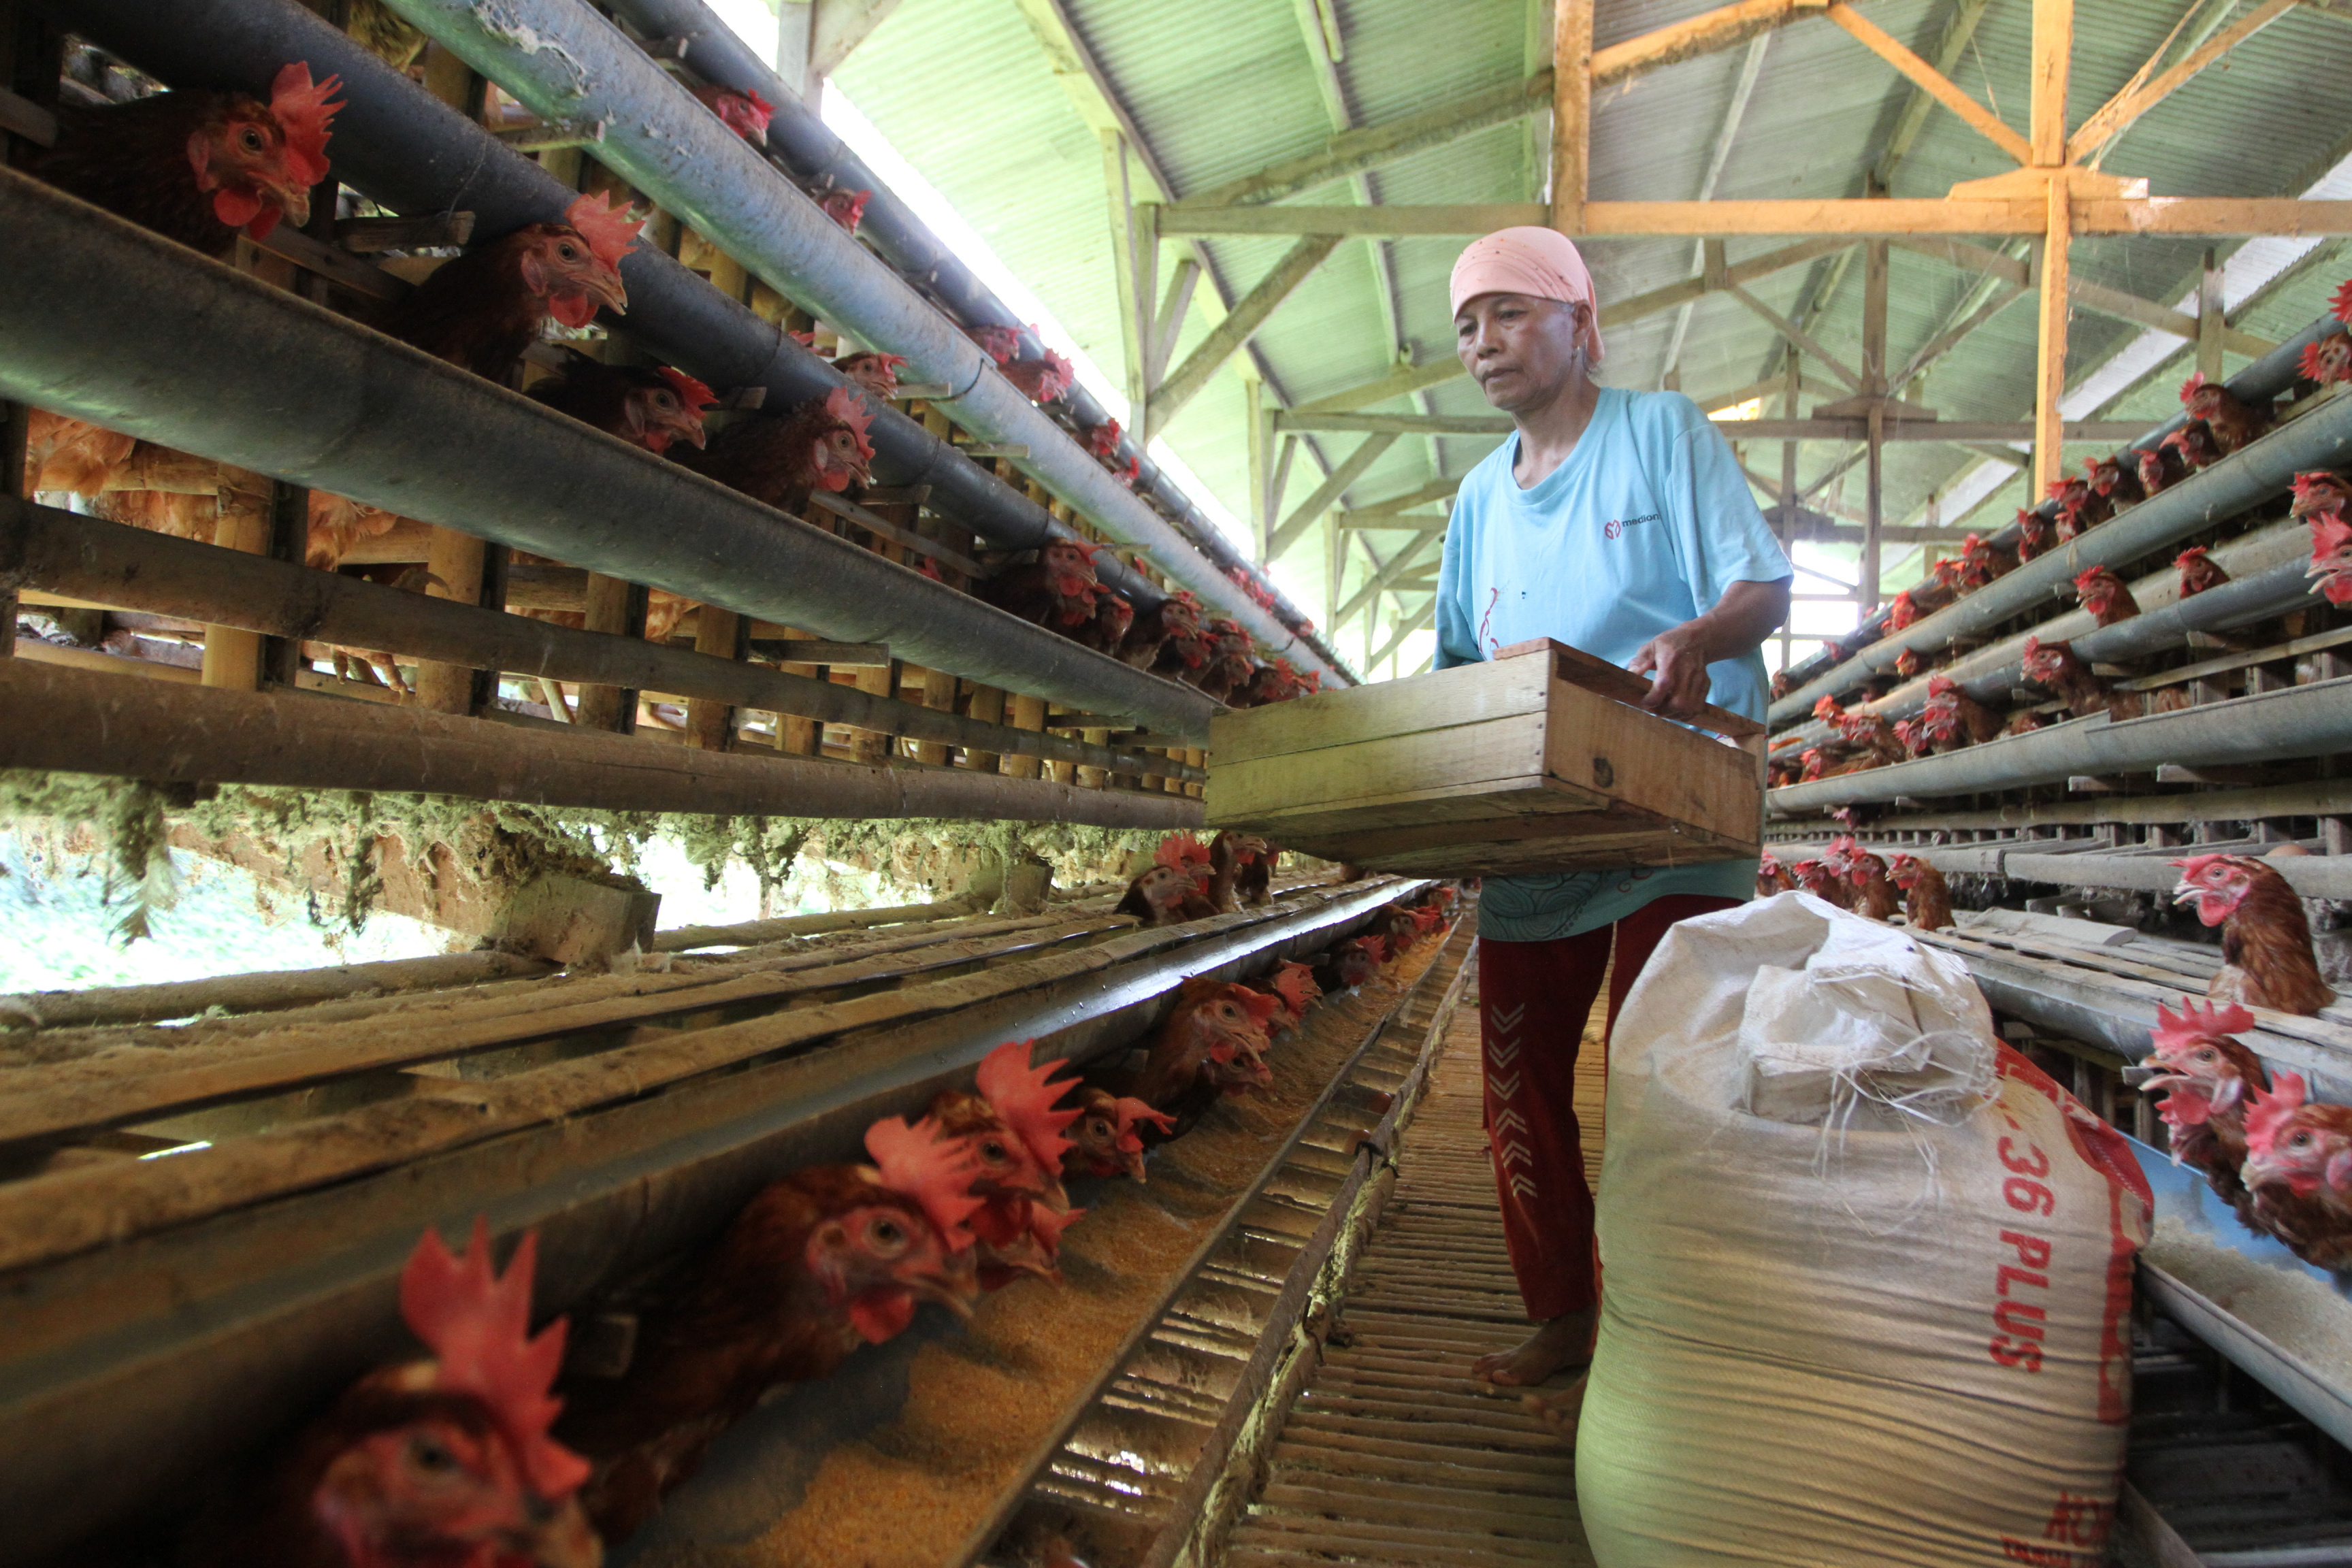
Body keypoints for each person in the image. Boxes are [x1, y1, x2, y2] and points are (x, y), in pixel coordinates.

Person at [1434, 227, 1793, 1414]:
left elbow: (1762, 588)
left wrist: (1697, 638)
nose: (1484, 343)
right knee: (1516, 1079)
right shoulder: (1479, 500)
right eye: (1467, 325)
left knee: (1655, 1080)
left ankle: (1658, 1325)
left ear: (1580, 322)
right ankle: (1565, 1313)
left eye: (1510, 313)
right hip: (1541, 826)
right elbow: (1456, 666)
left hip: (1672, 807)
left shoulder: (1661, 434)